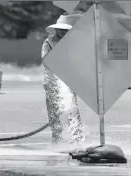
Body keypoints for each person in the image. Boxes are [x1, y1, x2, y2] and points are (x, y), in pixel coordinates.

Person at [41, 13, 85, 144]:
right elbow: (46, 61)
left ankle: (77, 138)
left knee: (72, 109)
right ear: (56, 29)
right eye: (61, 30)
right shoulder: (48, 43)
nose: (63, 32)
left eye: (66, 30)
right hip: (52, 81)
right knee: (54, 111)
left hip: (68, 81)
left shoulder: (73, 43)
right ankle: (56, 137)